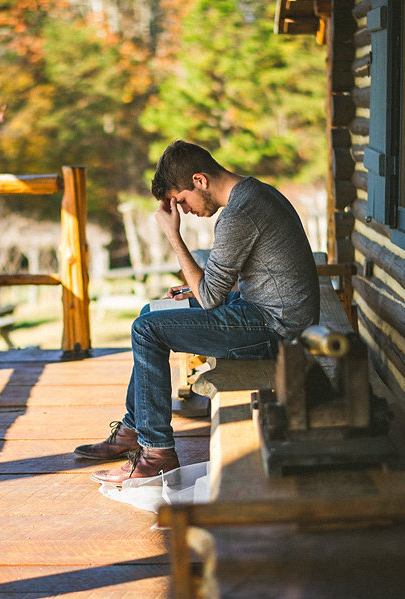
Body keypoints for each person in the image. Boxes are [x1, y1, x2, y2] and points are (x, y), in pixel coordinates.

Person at [75, 140, 320, 484]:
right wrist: (196, 288)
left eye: (182, 200)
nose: (184, 210)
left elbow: (209, 298)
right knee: (151, 311)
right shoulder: (255, 194)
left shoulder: (239, 214)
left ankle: (157, 453)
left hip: (277, 330)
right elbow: (233, 283)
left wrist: (173, 235)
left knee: (147, 329)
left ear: (200, 180)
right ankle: (134, 427)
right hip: (263, 310)